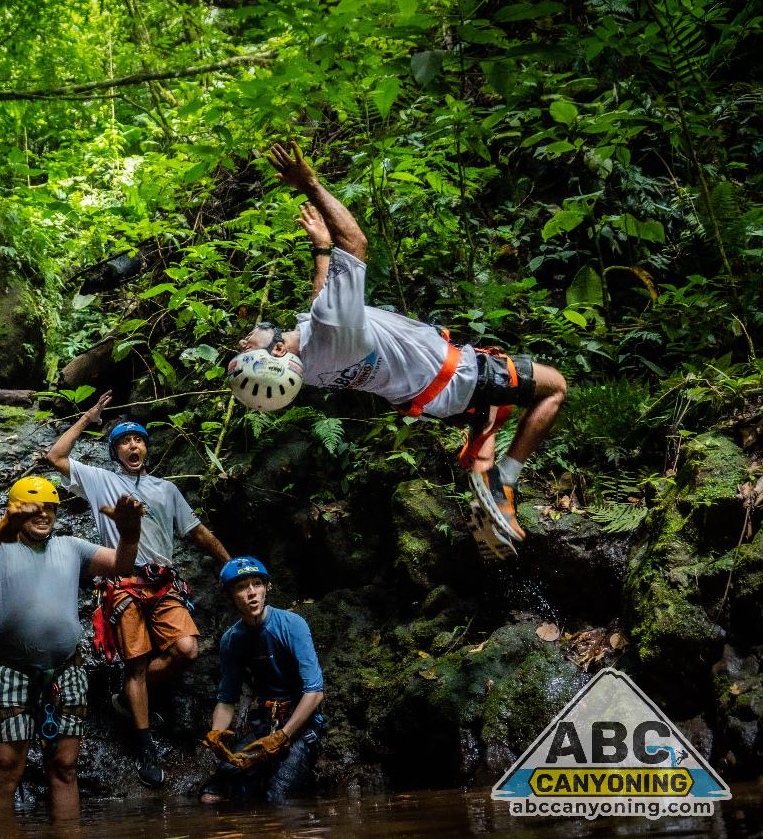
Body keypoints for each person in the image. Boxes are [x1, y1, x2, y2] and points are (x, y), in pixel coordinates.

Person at [232, 141, 568, 559]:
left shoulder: (313, 365)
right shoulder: (331, 327)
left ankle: (491, 516)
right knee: (554, 387)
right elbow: (355, 242)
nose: (246, 342)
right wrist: (311, 184)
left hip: (432, 401)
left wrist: (320, 248)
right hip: (457, 376)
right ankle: (507, 480)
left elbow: (324, 297)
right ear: (279, 352)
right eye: (252, 350)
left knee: (486, 428)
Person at [47, 390, 231, 788]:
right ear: (115, 452)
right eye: (125, 441)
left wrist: (228, 561)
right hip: (122, 581)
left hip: (162, 581)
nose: (134, 445)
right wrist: (88, 416)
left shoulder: (166, 490)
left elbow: (196, 531)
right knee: (135, 662)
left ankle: (128, 699)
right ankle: (147, 748)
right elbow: (56, 457)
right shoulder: (101, 481)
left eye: (139, 440)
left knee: (186, 649)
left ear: (146, 447)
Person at [0, 476, 145, 820]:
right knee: (4, 766)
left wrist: (130, 533)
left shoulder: (71, 547)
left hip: (66, 669)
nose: (43, 514)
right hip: (10, 670)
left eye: (50, 508)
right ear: (13, 511)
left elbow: (122, 566)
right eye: (34, 508)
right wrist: (2, 529)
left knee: (64, 766)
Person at [200, 557, 324, 803]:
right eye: (241, 587)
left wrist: (283, 736)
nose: (251, 593)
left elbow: (315, 693)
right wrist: (215, 734)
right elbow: (227, 700)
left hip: (301, 724)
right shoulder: (231, 640)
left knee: (276, 800)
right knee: (211, 797)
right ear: (229, 597)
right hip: (265, 722)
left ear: (267, 588)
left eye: (257, 584)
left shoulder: (293, 625)